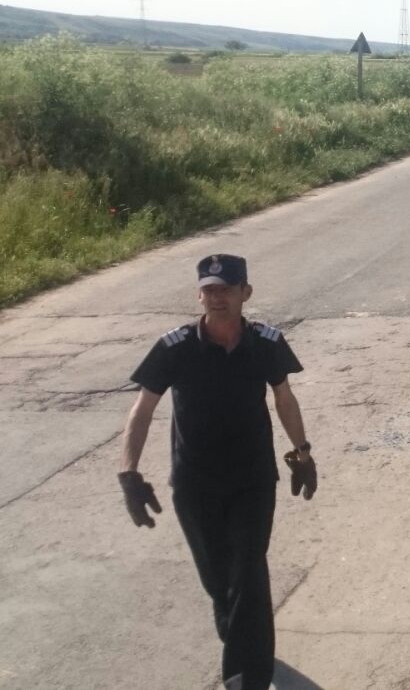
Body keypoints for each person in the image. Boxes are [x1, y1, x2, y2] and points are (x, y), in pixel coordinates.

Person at [117, 254, 316, 690]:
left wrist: (302, 453)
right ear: (199, 295)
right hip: (195, 483)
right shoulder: (175, 347)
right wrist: (129, 474)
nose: (217, 298)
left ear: (246, 293)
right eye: (209, 290)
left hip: (253, 479)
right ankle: (244, 641)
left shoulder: (266, 343)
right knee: (219, 580)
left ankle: (246, 677)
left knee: (248, 572)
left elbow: (284, 398)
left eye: (226, 289)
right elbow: (143, 409)